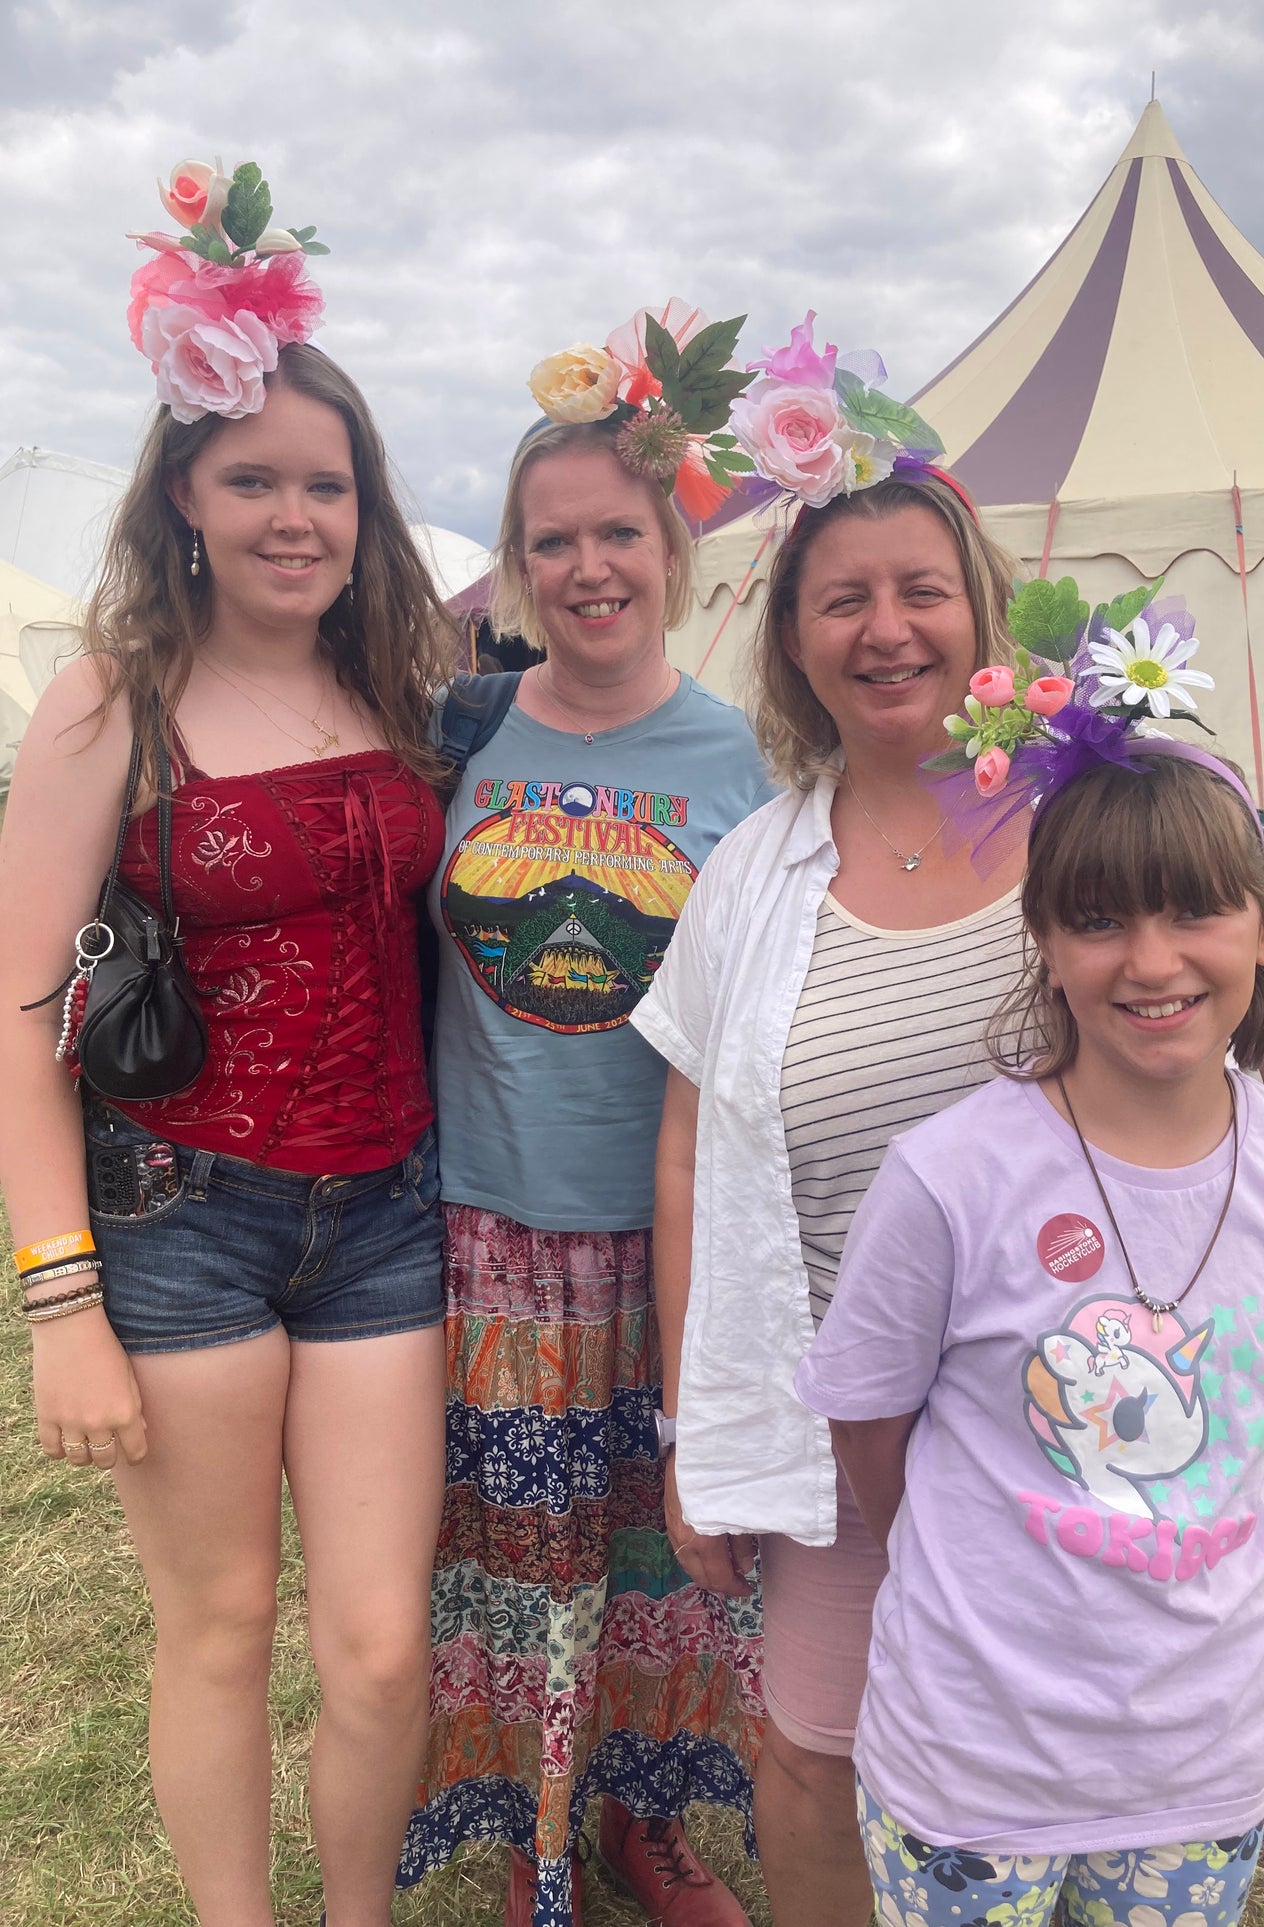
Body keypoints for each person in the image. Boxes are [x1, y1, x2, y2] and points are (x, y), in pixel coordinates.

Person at [630, 312, 1264, 1927]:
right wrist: (698, 1433)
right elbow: (695, 1155)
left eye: (922, 588)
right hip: (855, 1412)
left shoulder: (1103, 804)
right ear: (794, 640)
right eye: (844, 597)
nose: (886, 626)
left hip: (1094, 1398)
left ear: (982, 612)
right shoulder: (753, 879)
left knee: (1093, 1734)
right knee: (811, 1747)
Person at [0, 162, 454, 1927]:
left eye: (325, 485)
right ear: (184, 493)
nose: (294, 515)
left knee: (377, 1639)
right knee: (219, 1623)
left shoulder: (402, 684)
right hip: (181, 1218)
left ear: (365, 508)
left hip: (389, 1214)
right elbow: (22, 1013)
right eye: (253, 478)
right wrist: (58, 1305)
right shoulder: (109, 693)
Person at [794, 732, 1264, 1927]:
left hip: (1196, 1762)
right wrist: (966, 1567)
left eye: (1194, 912)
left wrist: (1177, 1524)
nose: (1150, 960)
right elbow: (870, 1426)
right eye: (1099, 920)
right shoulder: (947, 1177)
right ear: (1042, 939)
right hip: (969, 1765)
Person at [399, 303, 772, 1927]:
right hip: (493, 1226)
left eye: (618, 529)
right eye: (552, 540)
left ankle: (642, 1818)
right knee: (512, 1556)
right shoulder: (461, 734)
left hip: (674, 1229)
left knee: (657, 1561)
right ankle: (522, 1834)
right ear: (518, 561)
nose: (587, 565)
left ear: (672, 543)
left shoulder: (744, 760)